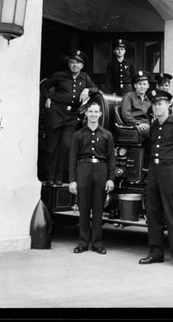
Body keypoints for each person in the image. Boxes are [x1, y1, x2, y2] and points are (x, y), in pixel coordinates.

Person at [138, 89, 173, 270]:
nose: (156, 107)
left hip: (170, 170)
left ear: (168, 105)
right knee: (153, 213)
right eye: (154, 104)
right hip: (154, 171)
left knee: (172, 214)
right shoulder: (153, 127)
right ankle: (156, 253)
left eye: (160, 104)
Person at [40, 50, 99, 186]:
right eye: (72, 62)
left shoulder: (84, 78)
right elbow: (44, 85)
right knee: (51, 146)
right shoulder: (60, 75)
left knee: (66, 145)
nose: (74, 65)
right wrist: (47, 98)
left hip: (71, 116)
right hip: (56, 112)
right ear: (69, 63)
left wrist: (87, 90)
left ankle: (60, 177)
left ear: (82, 66)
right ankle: (49, 177)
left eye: (78, 63)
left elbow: (96, 89)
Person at [69, 101, 115, 254]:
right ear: (86, 114)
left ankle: (97, 243)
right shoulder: (78, 135)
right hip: (83, 170)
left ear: (100, 114)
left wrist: (110, 179)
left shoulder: (107, 135)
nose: (94, 115)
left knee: (98, 209)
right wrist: (72, 180)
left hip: (101, 171)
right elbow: (72, 159)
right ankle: (82, 243)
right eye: (91, 112)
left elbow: (111, 159)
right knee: (83, 208)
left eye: (96, 112)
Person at [120, 71, 152, 136]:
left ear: (148, 86)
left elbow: (152, 114)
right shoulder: (129, 96)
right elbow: (126, 114)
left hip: (148, 124)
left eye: (144, 84)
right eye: (139, 84)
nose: (142, 86)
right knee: (154, 132)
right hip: (135, 125)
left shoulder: (149, 99)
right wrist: (138, 123)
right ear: (135, 85)